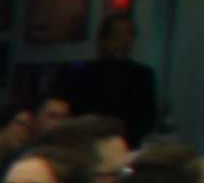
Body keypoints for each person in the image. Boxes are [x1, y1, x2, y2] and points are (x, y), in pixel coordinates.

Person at [52, 13, 161, 142]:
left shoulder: (142, 76)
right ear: (103, 39)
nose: (123, 41)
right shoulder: (77, 74)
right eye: (117, 34)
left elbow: (147, 118)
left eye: (129, 35)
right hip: (82, 143)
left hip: (126, 145)